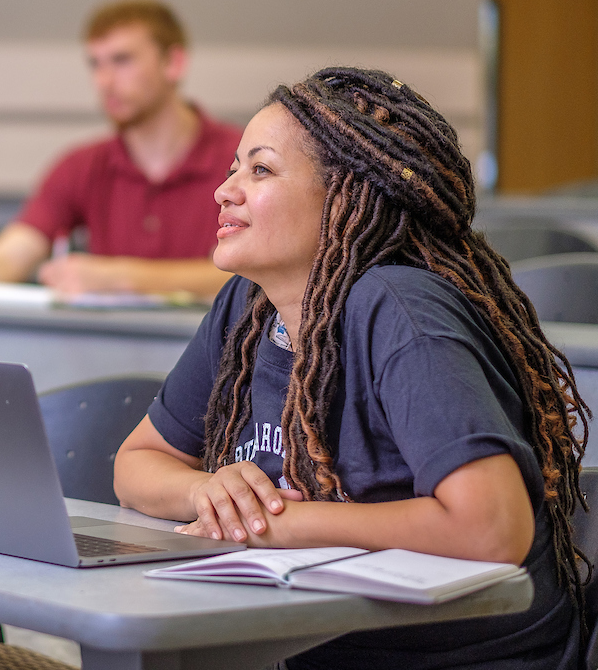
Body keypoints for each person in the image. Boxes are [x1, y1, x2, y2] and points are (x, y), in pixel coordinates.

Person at [114, 67, 589, 668]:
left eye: (259, 169)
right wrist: (212, 493)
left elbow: (491, 529)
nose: (224, 189)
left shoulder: (398, 307)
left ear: (346, 194)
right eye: (234, 166)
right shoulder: (247, 306)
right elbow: (135, 466)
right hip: (309, 644)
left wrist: (278, 524)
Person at [0, 0, 240, 330]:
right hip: (112, 353)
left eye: (122, 60)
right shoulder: (82, 165)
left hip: (221, 359)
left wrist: (118, 277)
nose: (104, 81)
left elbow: (247, 276)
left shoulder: (241, 156)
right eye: (95, 64)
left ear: (174, 63)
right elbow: (8, 255)